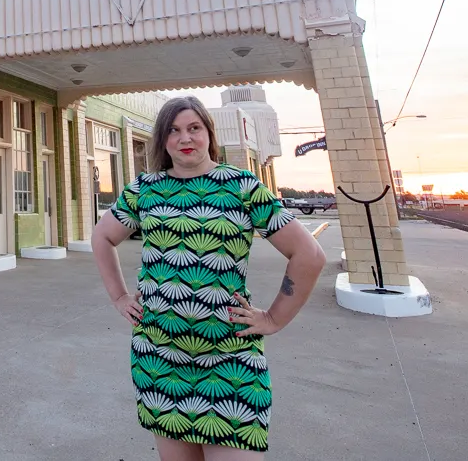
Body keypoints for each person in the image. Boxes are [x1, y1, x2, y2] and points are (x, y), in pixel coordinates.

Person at [93, 95, 327, 459]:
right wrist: (119, 296)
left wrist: (274, 318)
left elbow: (309, 255)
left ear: (208, 133)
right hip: (159, 359)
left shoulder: (242, 187)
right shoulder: (144, 189)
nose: (184, 138)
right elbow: (102, 236)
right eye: (173, 130)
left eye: (193, 128)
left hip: (230, 362)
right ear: (163, 140)